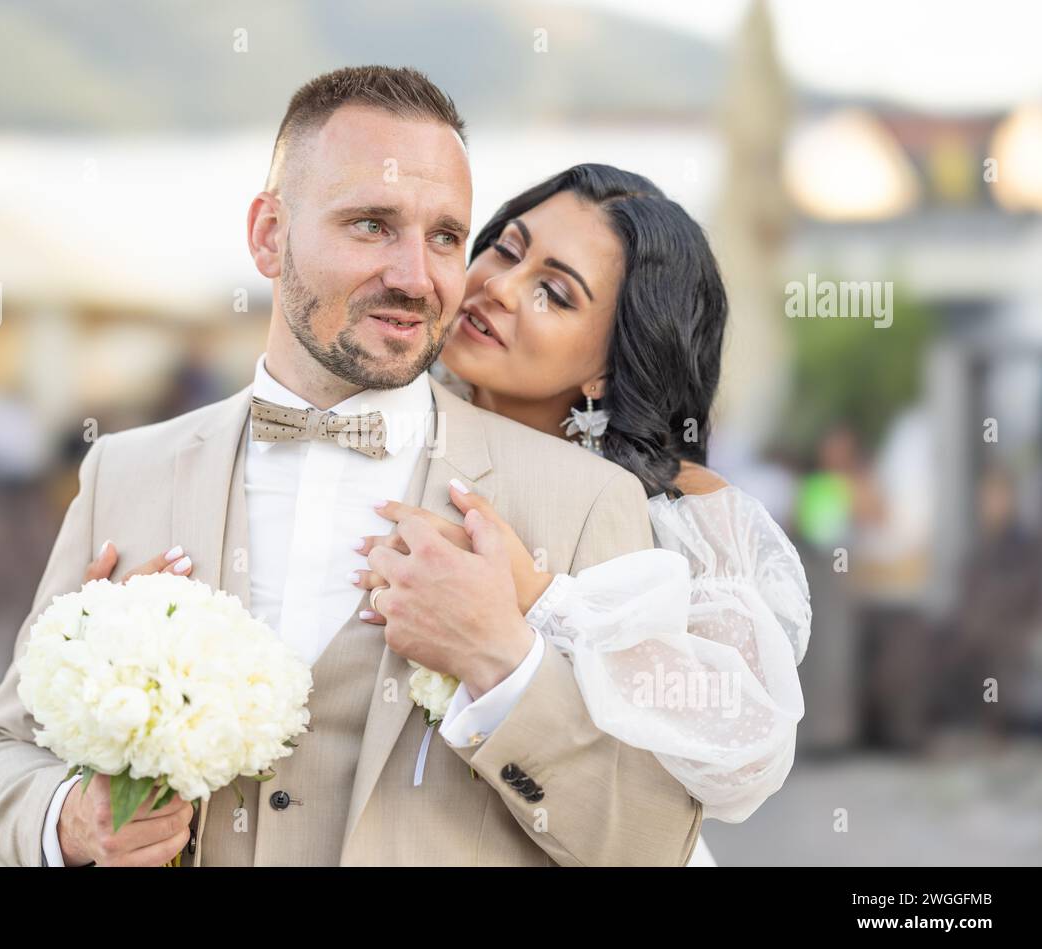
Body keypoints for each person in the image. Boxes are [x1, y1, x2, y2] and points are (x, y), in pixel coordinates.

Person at [0, 67, 702, 867]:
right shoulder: (124, 472)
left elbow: (655, 840)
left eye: (446, 237)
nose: (416, 277)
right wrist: (70, 818)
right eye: (372, 225)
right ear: (268, 235)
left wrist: (503, 662)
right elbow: (2, 746)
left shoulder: (587, 503)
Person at [342, 164, 812, 866]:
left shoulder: (677, 510)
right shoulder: (377, 428)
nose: (499, 286)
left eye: (553, 293)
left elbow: (746, 747)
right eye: (506, 248)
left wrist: (538, 599)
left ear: (608, 365)